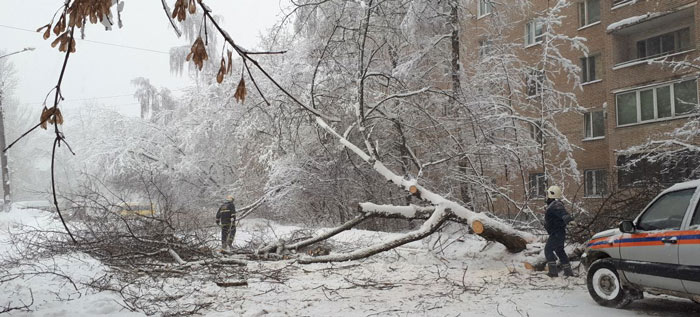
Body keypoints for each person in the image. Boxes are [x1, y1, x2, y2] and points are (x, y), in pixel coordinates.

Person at [543, 185, 574, 277]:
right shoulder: (554, 204)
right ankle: (568, 272)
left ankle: (553, 272)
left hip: (556, 233)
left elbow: (563, 213)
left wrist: (569, 220)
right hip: (558, 232)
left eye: (548, 194)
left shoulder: (556, 204)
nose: (546, 196)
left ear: (551, 194)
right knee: (559, 250)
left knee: (548, 250)